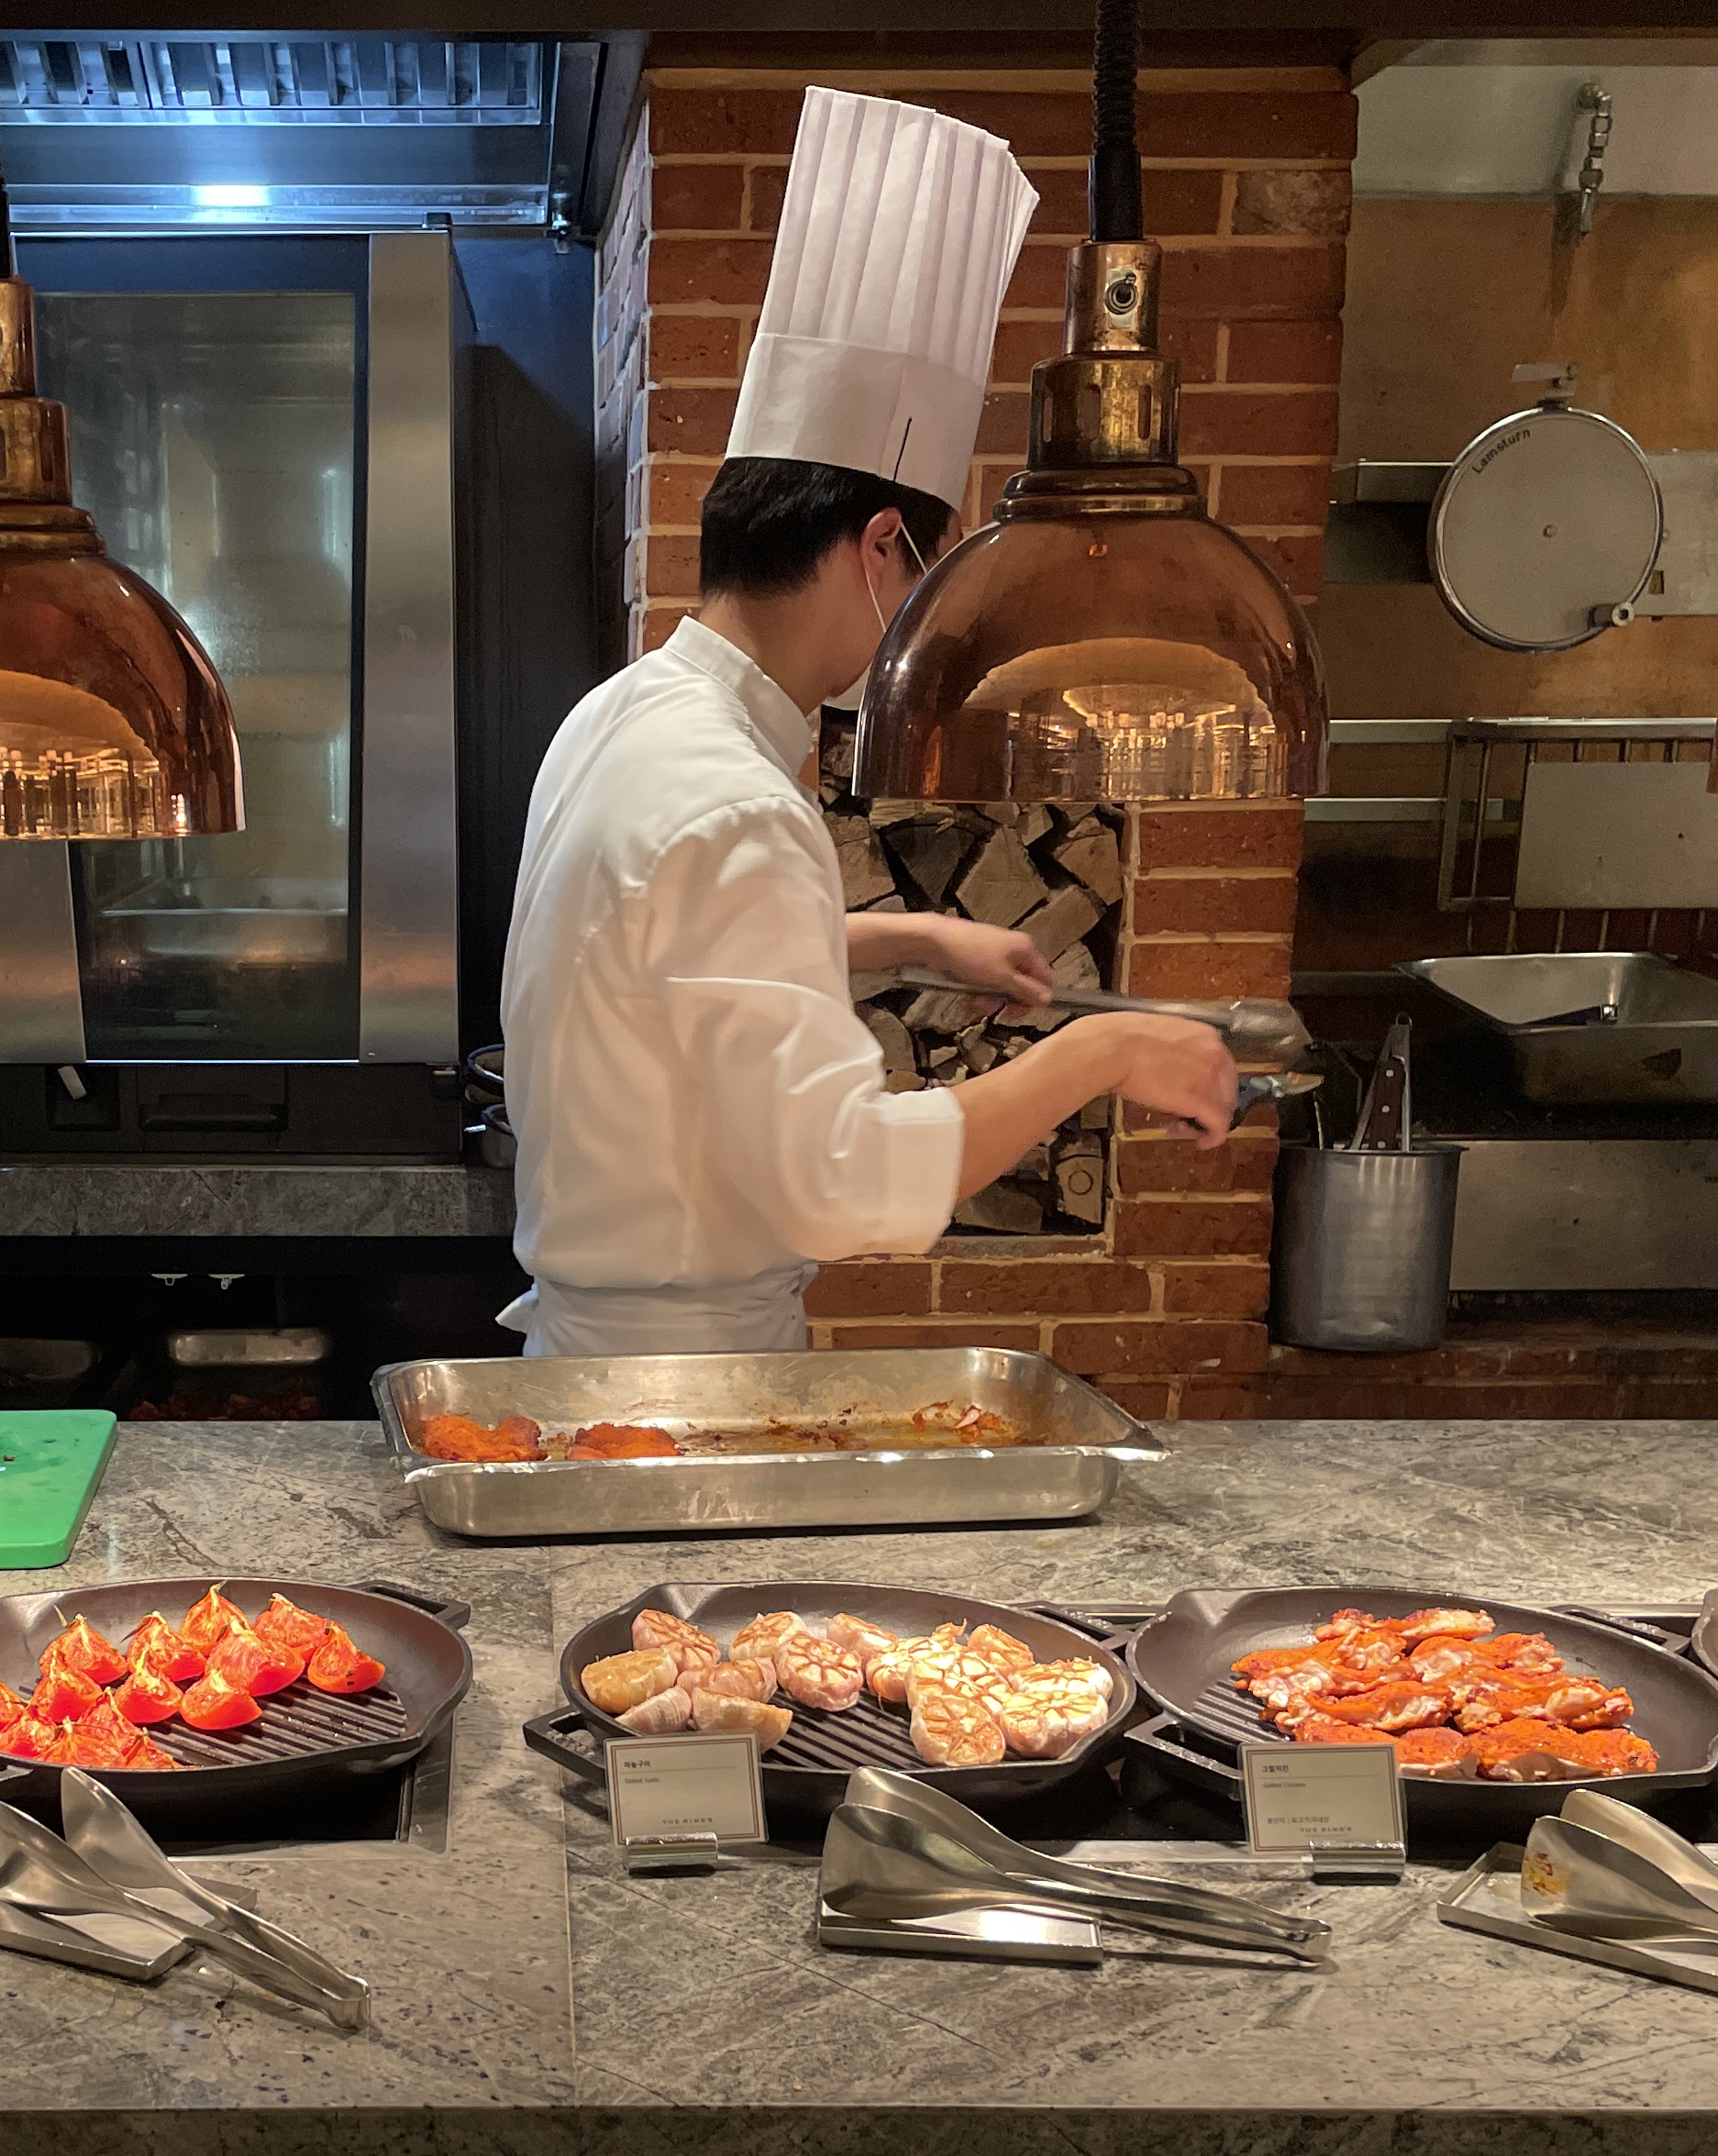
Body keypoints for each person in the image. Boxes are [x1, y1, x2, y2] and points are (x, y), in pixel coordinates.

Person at [495, 89, 1238, 1359]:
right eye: (925, 578)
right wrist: (1105, 1052)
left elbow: (664, 968)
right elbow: (836, 1187)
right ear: (880, 545)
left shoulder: (622, 718)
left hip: (608, 1358)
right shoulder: (735, 801)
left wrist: (911, 937)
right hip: (688, 1387)